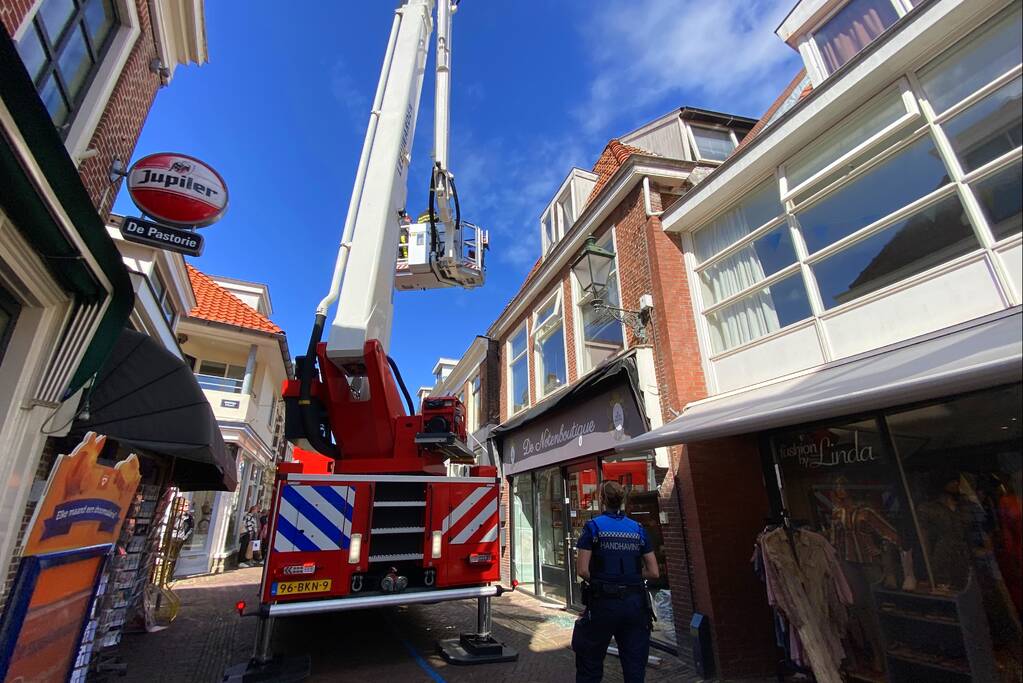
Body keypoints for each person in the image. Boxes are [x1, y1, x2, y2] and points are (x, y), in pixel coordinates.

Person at [573, 480, 659, 683]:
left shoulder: (593, 527)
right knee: (635, 667)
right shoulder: (638, 529)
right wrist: (631, 576)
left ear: (602, 500)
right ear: (622, 501)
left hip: (603, 603)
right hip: (635, 604)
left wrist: (604, 578)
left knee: (590, 663)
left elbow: (583, 570)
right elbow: (654, 572)